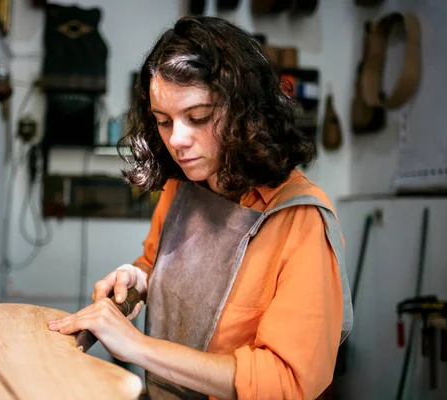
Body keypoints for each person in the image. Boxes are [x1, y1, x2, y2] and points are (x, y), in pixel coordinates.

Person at [48, 15, 353, 400]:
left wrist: (137, 347)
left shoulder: (300, 219)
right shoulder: (183, 187)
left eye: (198, 118)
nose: (177, 140)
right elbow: (156, 262)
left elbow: (287, 381)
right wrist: (136, 280)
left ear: (247, 112)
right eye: (163, 121)